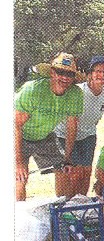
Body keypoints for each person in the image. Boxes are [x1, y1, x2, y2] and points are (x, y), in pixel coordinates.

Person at [14, 52, 84, 201]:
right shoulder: (33, 90)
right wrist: (19, 162)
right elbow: (16, 126)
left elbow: (71, 127)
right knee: (19, 177)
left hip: (44, 137)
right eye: (60, 72)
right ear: (52, 72)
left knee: (64, 170)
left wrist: (67, 157)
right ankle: (18, 219)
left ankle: (61, 212)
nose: (64, 77)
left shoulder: (75, 94)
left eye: (69, 74)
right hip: (18, 136)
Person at [53, 55, 104, 196]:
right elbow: (71, 123)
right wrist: (67, 155)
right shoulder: (78, 92)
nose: (102, 75)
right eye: (98, 71)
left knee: (86, 172)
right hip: (64, 134)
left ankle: (82, 203)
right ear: (90, 74)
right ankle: (63, 206)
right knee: (70, 173)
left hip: (88, 135)